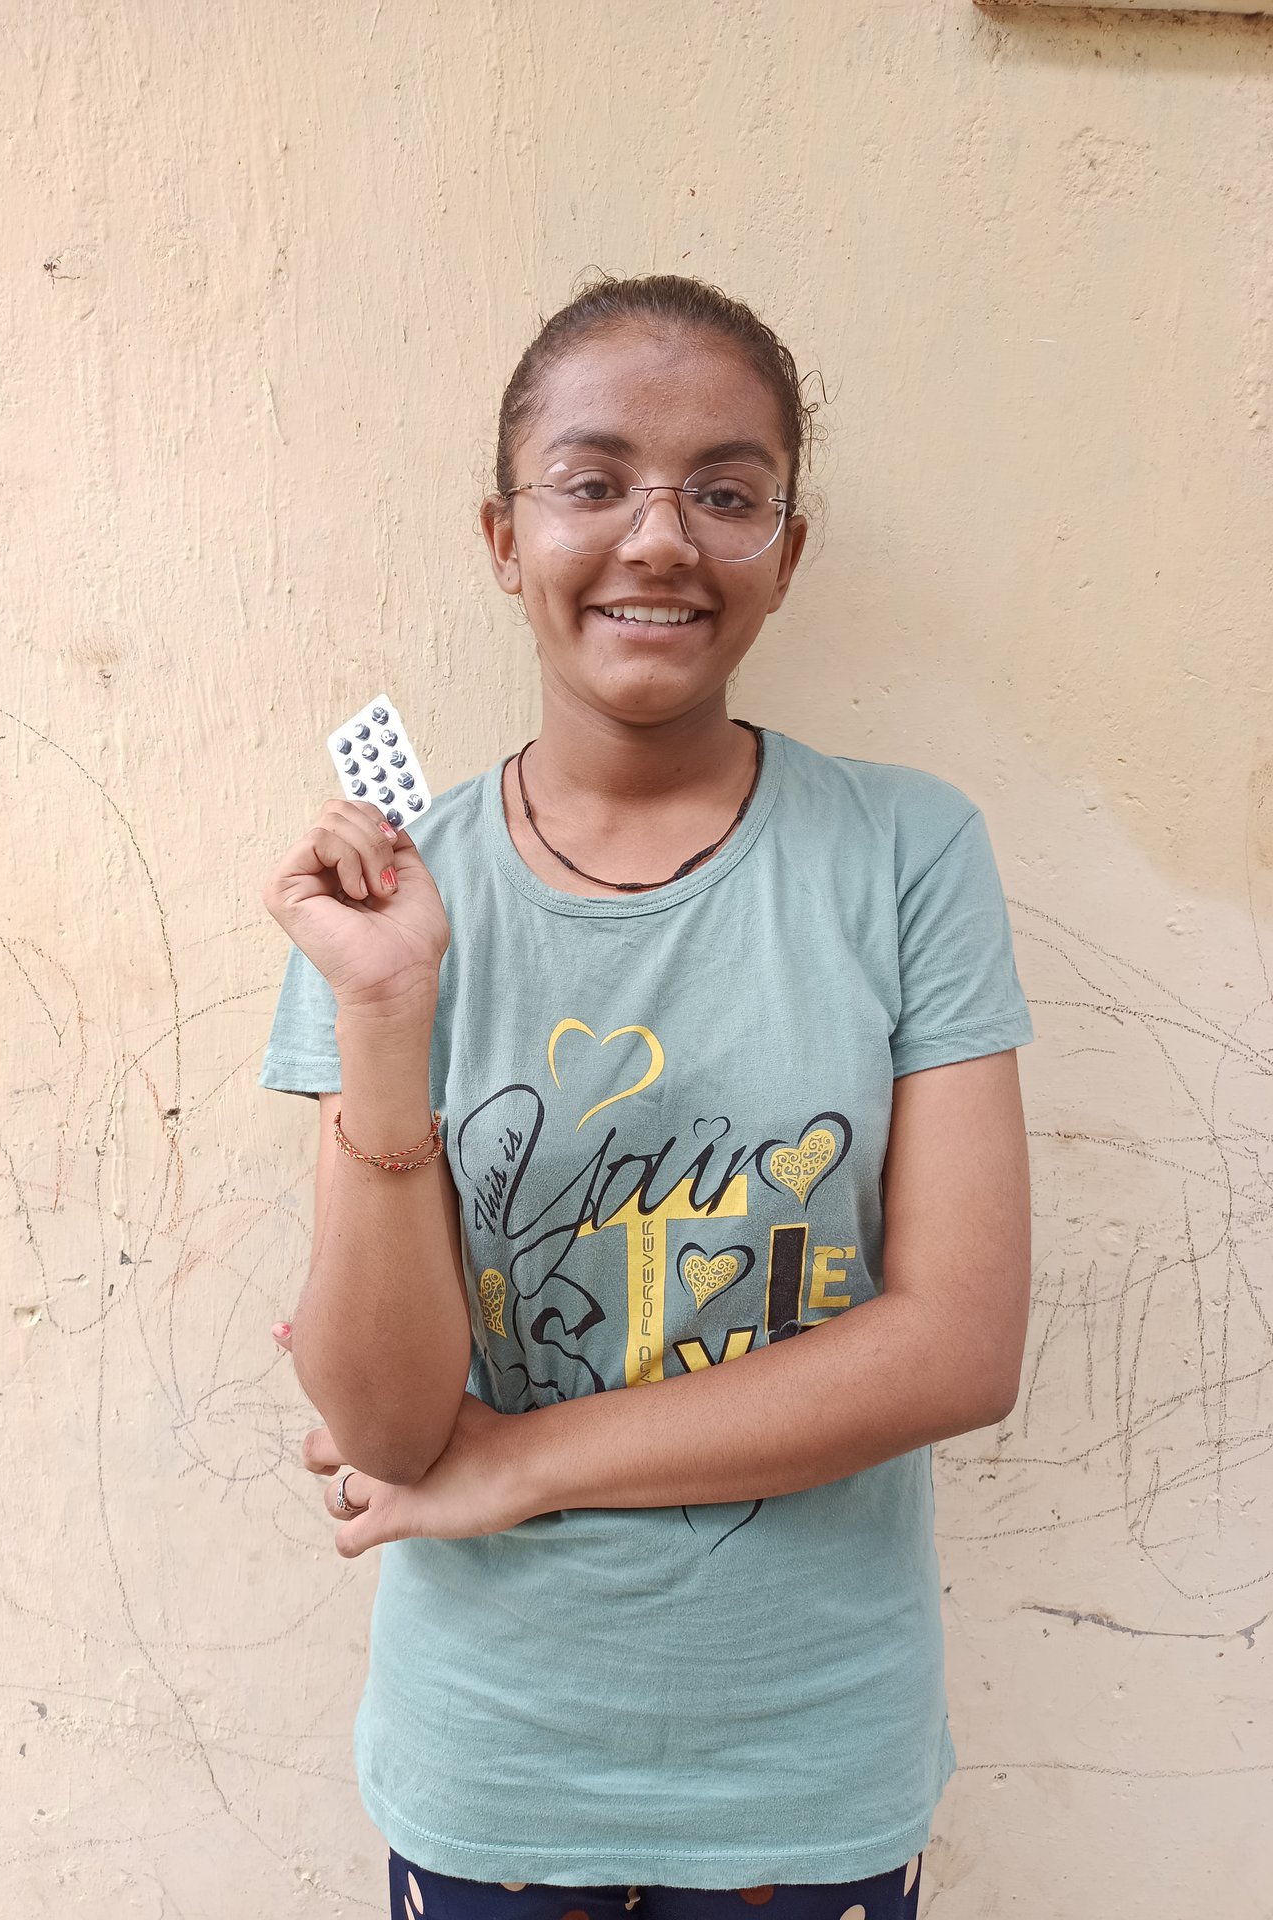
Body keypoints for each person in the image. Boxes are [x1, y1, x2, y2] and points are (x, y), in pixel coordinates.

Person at [260, 272, 1034, 1920]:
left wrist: (527, 1462)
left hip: (808, 1767)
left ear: (787, 549)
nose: (659, 538)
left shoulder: (907, 854)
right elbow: (391, 1428)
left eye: (725, 491)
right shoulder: (388, 900)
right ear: (500, 534)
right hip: (494, 1760)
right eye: (594, 481)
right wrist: (389, 1013)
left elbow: (959, 1343)